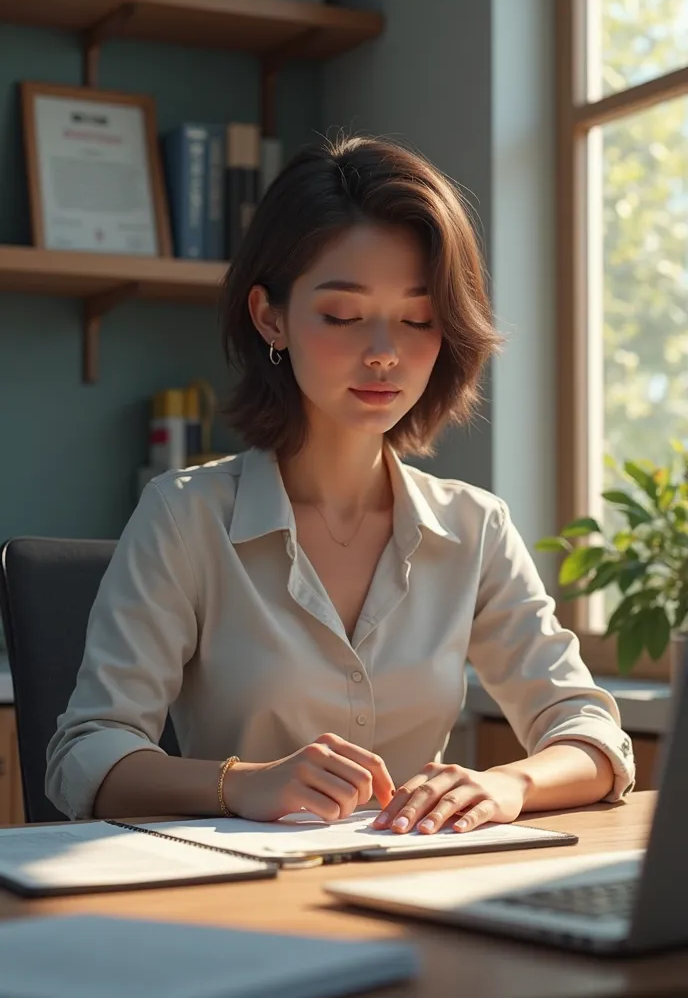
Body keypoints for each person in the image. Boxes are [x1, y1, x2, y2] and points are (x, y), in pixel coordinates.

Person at [46, 133, 635, 833]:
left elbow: (592, 736)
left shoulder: (474, 528)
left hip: (417, 890)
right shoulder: (185, 518)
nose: (384, 354)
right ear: (271, 317)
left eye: (418, 319)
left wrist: (509, 785)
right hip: (228, 903)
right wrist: (244, 784)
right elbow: (85, 755)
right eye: (344, 316)